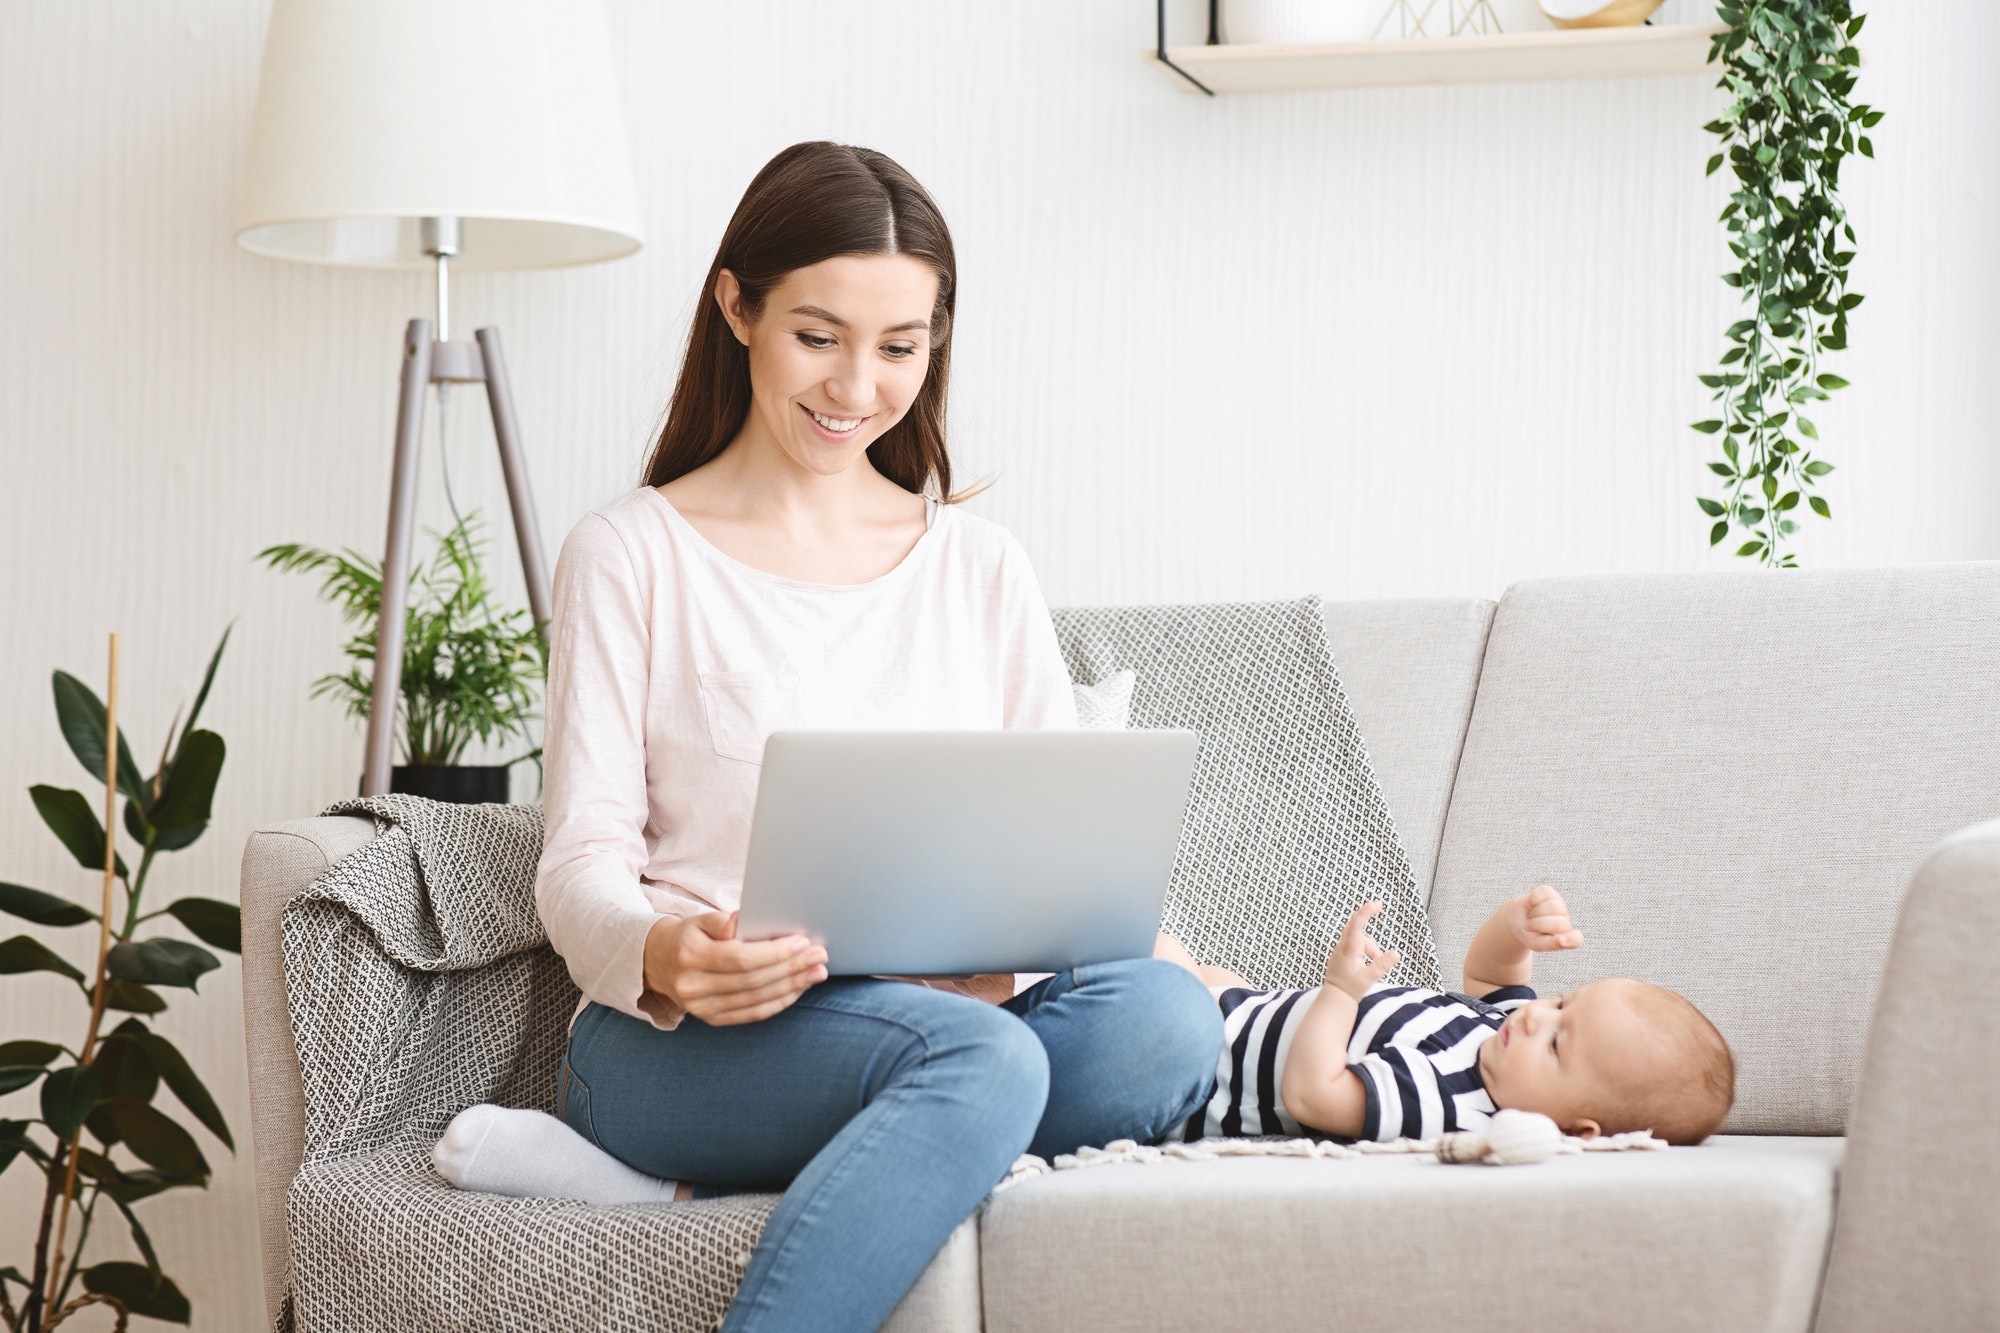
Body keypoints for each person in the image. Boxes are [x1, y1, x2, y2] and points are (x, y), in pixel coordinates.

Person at [506, 141, 1222, 1332]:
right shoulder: (630, 553)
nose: (855, 387)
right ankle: (906, 1134)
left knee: (1161, 1022)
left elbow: (1060, 852)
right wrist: (668, 954)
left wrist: (1183, 967)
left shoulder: (978, 566)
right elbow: (576, 863)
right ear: (736, 306)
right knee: (984, 1065)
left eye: (900, 347)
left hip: (940, 1023)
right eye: (818, 336)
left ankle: (843, 1160)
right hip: (685, 1041)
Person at [1154, 884, 1735, 1146]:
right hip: (1245, 1010)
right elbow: (1491, 978)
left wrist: (1340, 991)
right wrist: (1514, 928)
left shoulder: (1451, 1104)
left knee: (1162, 955)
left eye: (1558, 1046)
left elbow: (1312, 1094)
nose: (1538, 1018)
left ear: (1576, 1128)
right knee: (1210, 973)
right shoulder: (1502, 1037)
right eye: (1563, 1004)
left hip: (1199, 1067)